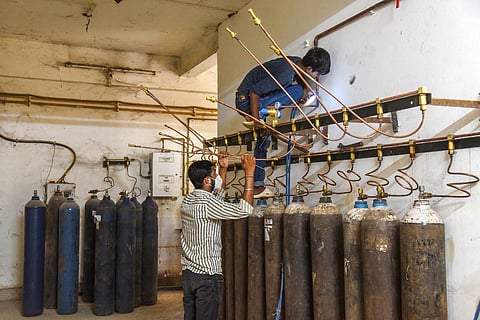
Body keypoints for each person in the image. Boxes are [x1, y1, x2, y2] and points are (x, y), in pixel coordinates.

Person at [235, 47, 331, 197]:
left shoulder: (295, 62)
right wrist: (256, 119)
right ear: (309, 68)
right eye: (317, 74)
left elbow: (300, 77)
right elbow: (254, 91)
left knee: (263, 138)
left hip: (255, 98)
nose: (316, 77)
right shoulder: (286, 74)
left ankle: (257, 185)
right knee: (296, 91)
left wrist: (305, 90)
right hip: (246, 101)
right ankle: (260, 112)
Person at [180, 153, 255, 320]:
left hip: (189, 275)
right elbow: (245, 210)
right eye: (214, 174)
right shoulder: (207, 205)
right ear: (207, 180)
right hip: (207, 276)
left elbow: (218, 194)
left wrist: (223, 168)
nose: (217, 177)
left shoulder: (188, 200)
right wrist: (249, 173)